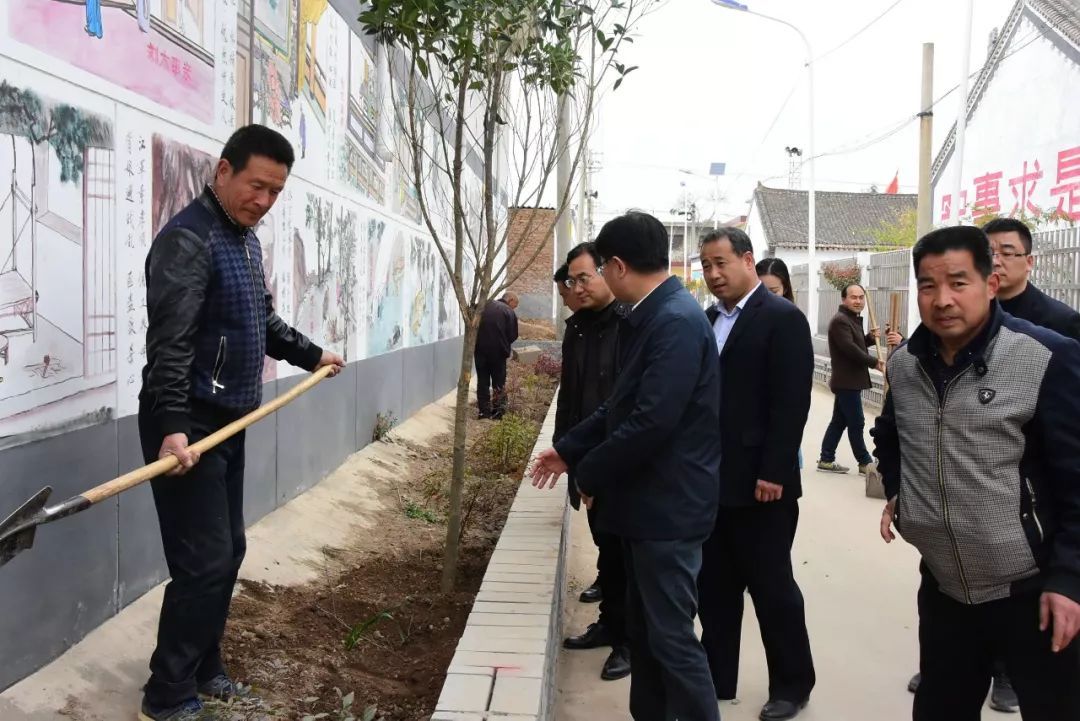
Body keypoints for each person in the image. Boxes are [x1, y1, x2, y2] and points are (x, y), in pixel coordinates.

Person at [138, 125, 345, 721]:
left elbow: (264, 324)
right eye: (257, 185)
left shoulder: (245, 242)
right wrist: (174, 425)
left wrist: (313, 354)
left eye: (275, 192)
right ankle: (168, 692)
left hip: (229, 421)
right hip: (187, 427)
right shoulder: (189, 241)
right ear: (223, 171)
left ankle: (205, 667)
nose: (264, 200)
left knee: (227, 552)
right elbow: (170, 346)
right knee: (201, 563)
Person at [873, 225, 1080, 721]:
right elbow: (890, 435)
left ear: (991, 282)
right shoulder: (904, 366)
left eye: (958, 282)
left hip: (1032, 589)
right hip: (945, 585)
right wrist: (905, 491)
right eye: (928, 285)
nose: (942, 299)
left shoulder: (1046, 356)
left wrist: (1069, 579)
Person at [531, 211, 722, 721]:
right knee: (648, 633)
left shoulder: (675, 322)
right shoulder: (652, 316)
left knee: (672, 640)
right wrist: (570, 449)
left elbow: (650, 423)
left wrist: (590, 474)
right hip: (647, 509)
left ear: (616, 266)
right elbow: (618, 404)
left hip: (668, 511)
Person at [697, 229, 816, 721]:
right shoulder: (706, 320)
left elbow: (792, 403)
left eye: (721, 262)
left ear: (748, 260)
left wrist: (775, 471)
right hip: (712, 482)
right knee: (715, 587)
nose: (714, 273)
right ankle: (717, 676)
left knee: (772, 587)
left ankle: (791, 684)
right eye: (705, 265)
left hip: (763, 485)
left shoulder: (782, 318)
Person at [554, 242, 631, 681]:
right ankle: (609, 624)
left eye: (585, 278)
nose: (577, 287)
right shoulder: (577, 327)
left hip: (617, 460)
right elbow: (571, 396)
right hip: (584, 457)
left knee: (624, 554)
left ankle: (628, 643)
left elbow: (622, 407)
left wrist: (599, 462)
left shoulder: (628, 325)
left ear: (608, 272)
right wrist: (564, 450)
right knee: (606, 548)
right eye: (572, 280)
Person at [816, 283, 900, 475]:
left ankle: (826, 459)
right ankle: (865, 463)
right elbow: (850, 349)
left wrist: (870, 338)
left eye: (861, 297)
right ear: (843, 299)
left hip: (849, 380)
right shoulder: (840, 321)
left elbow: (857, 343)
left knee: (839, 421)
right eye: (854, 297)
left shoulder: (850, 319)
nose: (858, 301)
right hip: (847, 381)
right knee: (857, 421)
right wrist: (875, 362)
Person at [987, 216, 1080, 340]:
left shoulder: (1062, 321)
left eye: (1007, 253)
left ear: (1029, 262)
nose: (995, 262)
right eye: (988, 254)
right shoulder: (968, 312)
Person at [474, 292, 519, 419]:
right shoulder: (508, 311)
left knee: (482, 381)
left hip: (480, 351)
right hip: (498, 353)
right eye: (515, 305)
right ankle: (499, 412)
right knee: (499, 382)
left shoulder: (483, 306)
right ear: (510, 300)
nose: (514, 308)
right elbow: (513, 335)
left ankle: (483, 412)